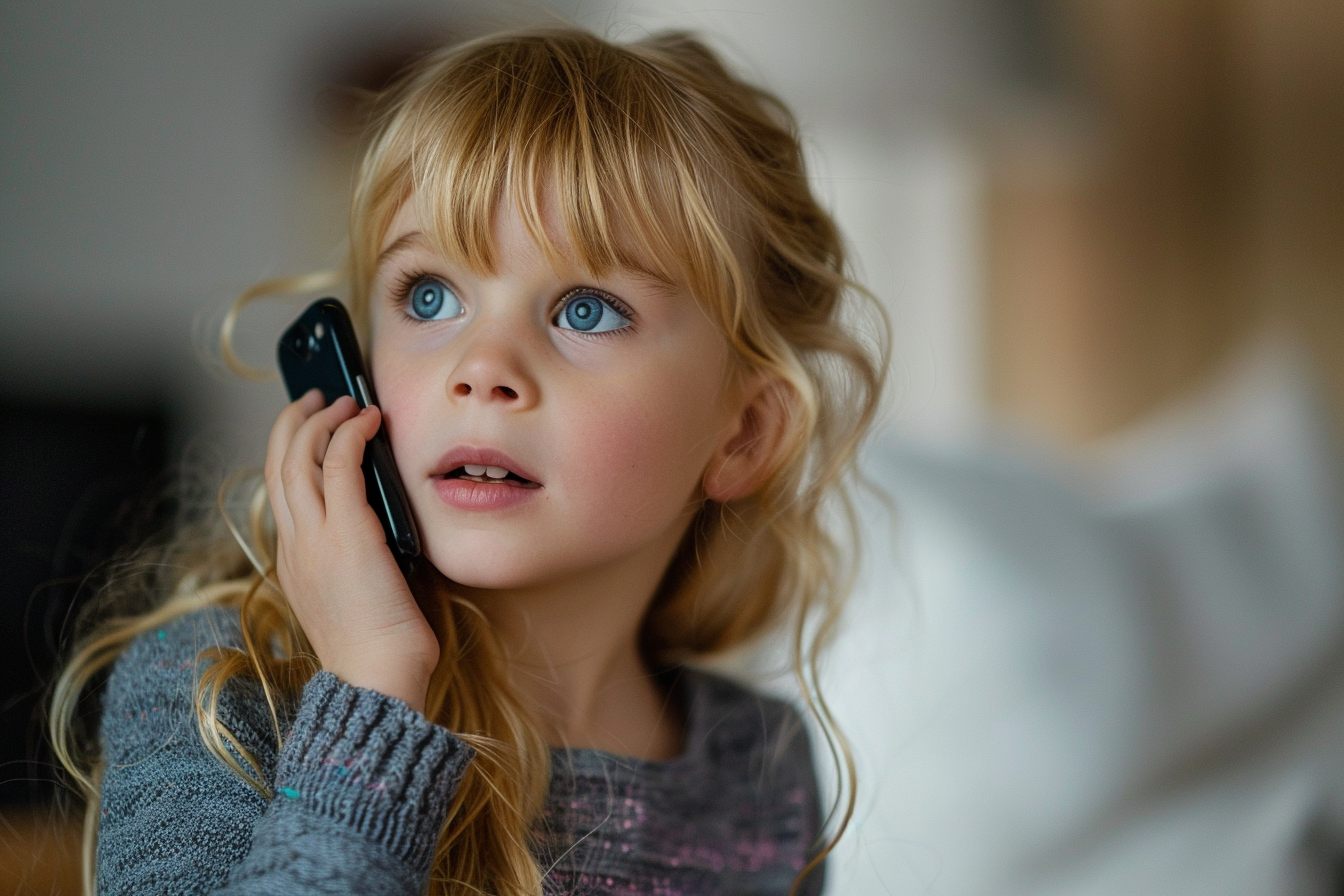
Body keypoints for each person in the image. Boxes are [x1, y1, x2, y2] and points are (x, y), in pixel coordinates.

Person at [47, 28, 886, 896]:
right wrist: (372, 693)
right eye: (431, 296)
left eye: (587, 310)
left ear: (743, 433)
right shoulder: (222, 690)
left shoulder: (762, 775)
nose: (482, 368)